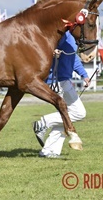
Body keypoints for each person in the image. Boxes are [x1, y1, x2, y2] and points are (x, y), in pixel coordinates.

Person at [33, 30, 90, 158]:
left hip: (64, 80)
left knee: (66, 117)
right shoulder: (61, 35)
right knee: (79, 113)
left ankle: (49, 151)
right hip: (58, 81)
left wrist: (84, 75)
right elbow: (44, 49)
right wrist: (52, 52)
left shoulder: (70, 38)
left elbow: (73, 58)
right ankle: (43, 122)